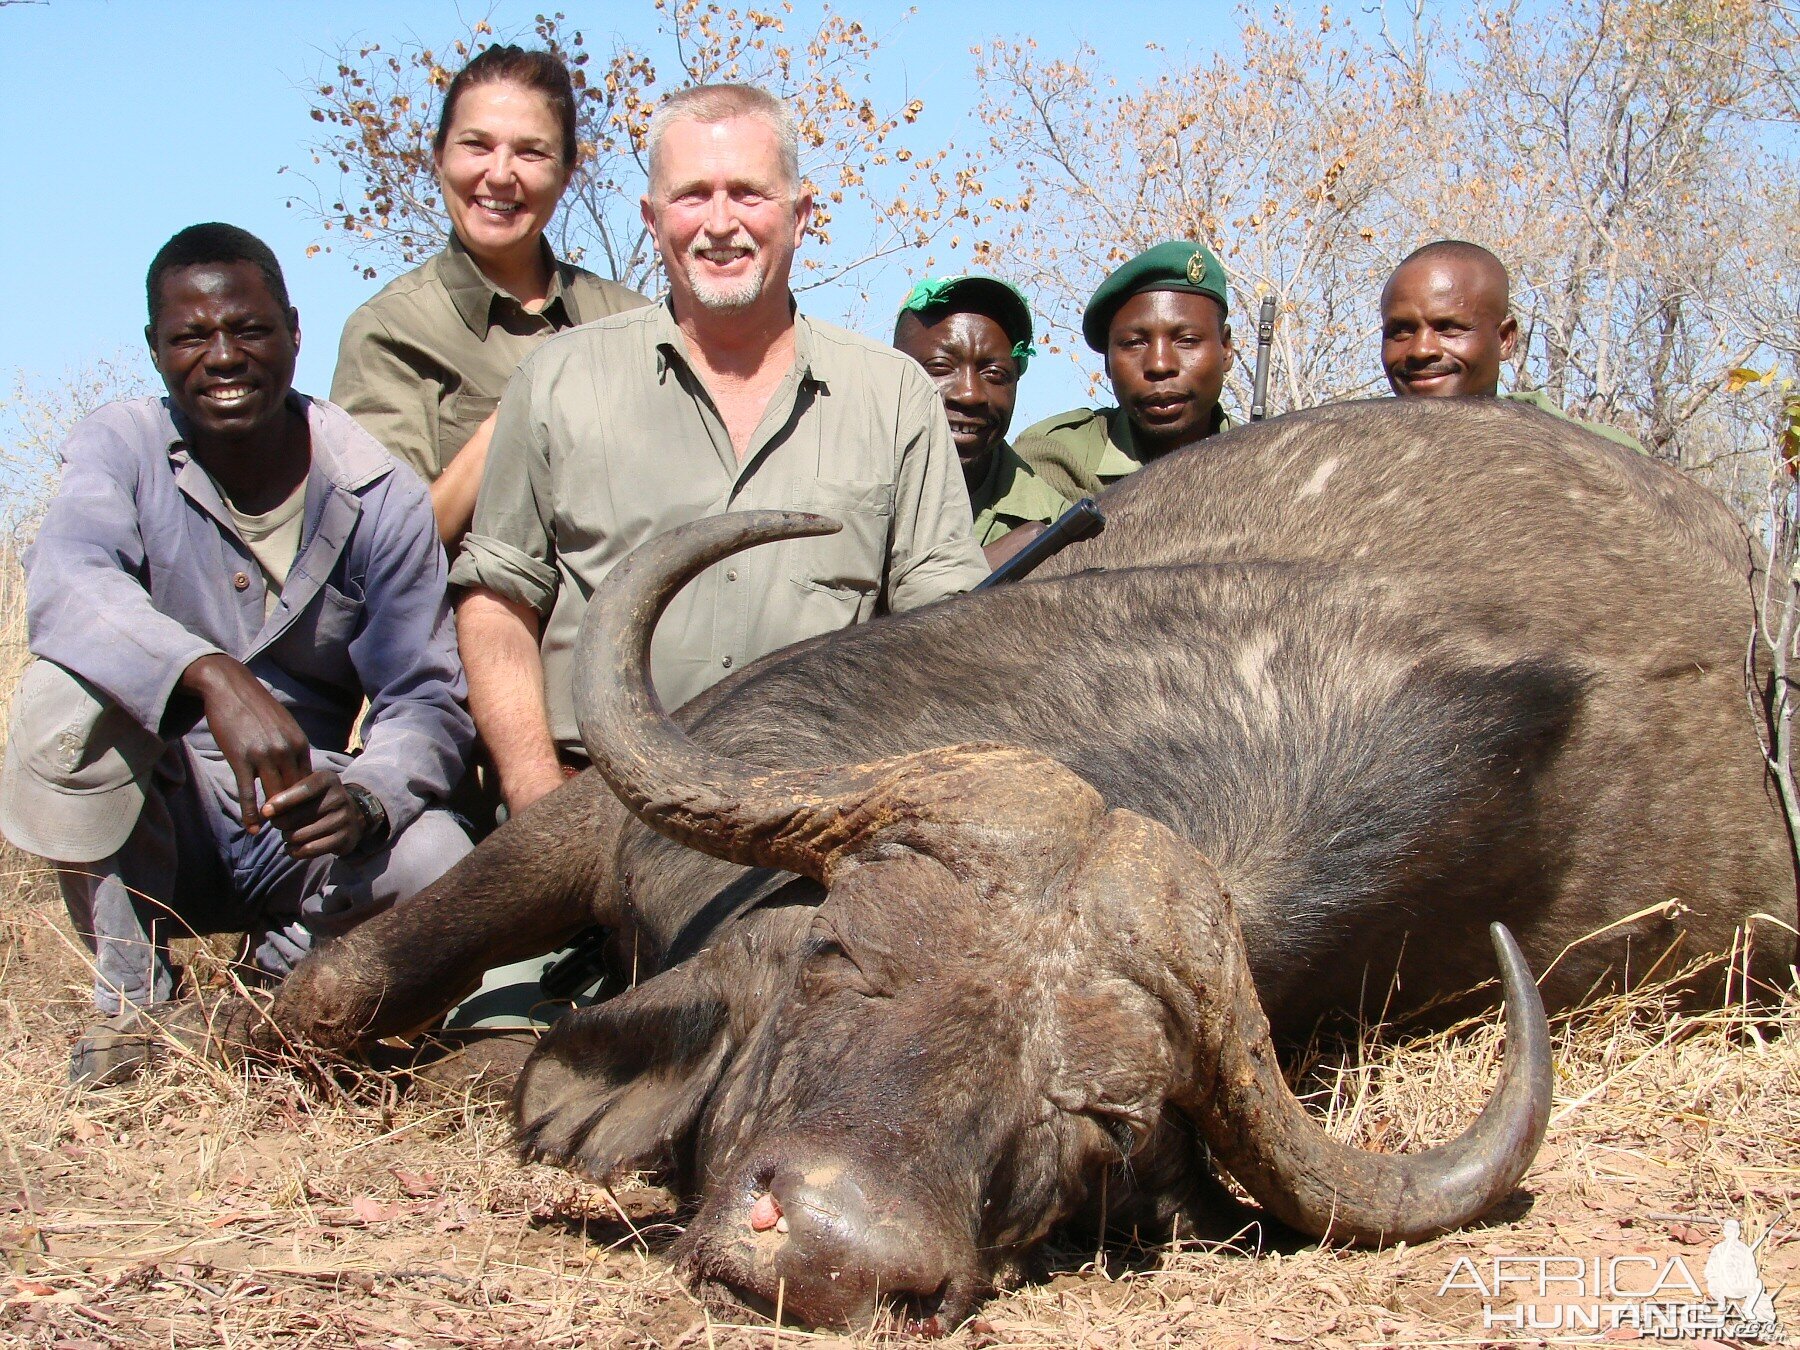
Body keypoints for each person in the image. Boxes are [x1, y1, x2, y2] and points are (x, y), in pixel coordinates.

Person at [444, 83, 987, 1023]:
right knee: (497, 1054)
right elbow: (497, 599)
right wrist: (539, 804)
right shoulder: (558, 380)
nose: (721, 224)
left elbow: (954, 637)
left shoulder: (895, 394)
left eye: (750, 194)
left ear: (801, 214)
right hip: (590, 818)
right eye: (693, 196)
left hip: (806, 834)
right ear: (652, 217)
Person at [0, 224, 476, 1083]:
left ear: (294, 330)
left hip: (301, 826)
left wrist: (368, 797)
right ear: (154, 350)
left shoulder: (378, 494)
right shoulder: (120, 446)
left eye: (250, 330)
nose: (223, 356)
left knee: (442, 858)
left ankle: (285, 977)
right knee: (61, 704)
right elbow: (68, 581)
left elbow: (427, 697)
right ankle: (133, 1002)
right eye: (191, 336)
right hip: (163, 808)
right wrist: (206, 673)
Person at [331, 46, 649, 548]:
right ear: (439, 158)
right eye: (476, 145)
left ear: (566, 175)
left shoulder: (633, 320)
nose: (500, 175)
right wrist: (519, 415)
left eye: (531, 152)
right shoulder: (391, 330)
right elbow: (382, 552)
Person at [1014, 241, 1236, 502]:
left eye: (1186, 340)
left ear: (1226, 349)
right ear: (1107, 361)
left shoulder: (1272, 460)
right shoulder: (1058, 458)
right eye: (1134, 343)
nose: (1160, 365)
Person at [1379, 239, 1646, 452]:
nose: (1421, 350)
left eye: (1449, 328)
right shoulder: (1349, 458)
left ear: (1505, 339)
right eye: (1400, 331)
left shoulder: (1605, 458)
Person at [892, 275, 1070, 566]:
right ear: (894, 370)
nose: (970, 394)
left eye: (994, 374)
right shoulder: (841, 487)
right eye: (940, 367)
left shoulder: (1055, 524)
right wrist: (985, 567)